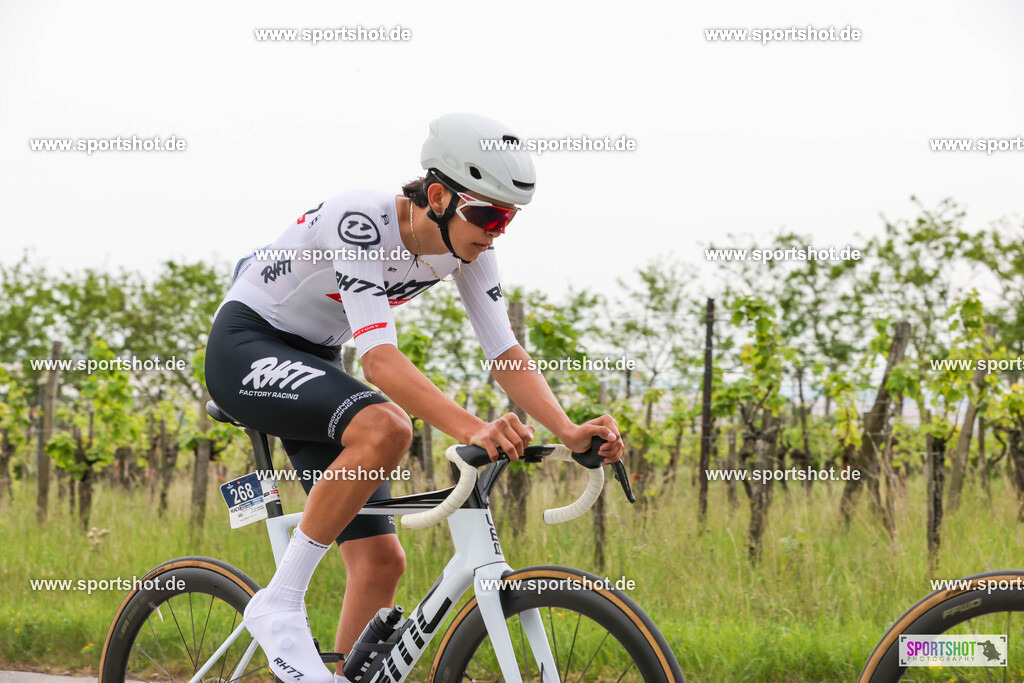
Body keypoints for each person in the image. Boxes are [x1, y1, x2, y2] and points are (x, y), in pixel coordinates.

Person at [204, 112, 624, 683]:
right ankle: (278, 603)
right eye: (487, 213)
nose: (496, 229)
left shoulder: (468, 248)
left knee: (381, 561)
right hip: (247, 345)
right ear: (437, 195)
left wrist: (569, 430)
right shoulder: (360, 219)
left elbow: (505, 354)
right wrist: (472, 428)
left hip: (315, 360)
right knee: (387, 428)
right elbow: (378, 359)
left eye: (508, 218)